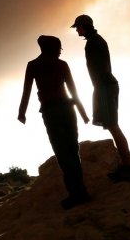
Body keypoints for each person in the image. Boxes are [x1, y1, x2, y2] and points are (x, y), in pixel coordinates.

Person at [18, 35, 92, 209]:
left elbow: (26, 91)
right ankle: (80, 192)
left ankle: (77, 193)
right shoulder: (61, 64)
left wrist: (22, 112)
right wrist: (82, 113)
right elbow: (73, 90)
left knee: (63, 152)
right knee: (73, 150)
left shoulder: (33, 65)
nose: (60, 51)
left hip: (51, 112)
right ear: (51, 48)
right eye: (59, 48)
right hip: (67, 110)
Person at [71, 14, 130, 182]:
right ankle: (126, 166)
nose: (77, 30)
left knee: (113, 125)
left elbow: (100, 68)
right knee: (111, 125)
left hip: (104, 87)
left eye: (77, 27)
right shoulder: (94, 40)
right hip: (103, 86)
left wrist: (100, 90)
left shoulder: (94, 41)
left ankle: (129, 168)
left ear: (84, 26)